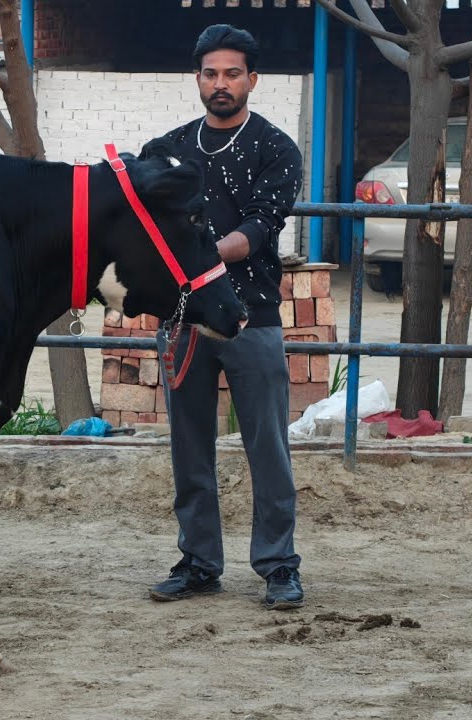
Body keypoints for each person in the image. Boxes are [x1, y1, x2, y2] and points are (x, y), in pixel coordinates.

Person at [149, 24, 304, 610]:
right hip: (183, 320)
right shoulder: (166, 150)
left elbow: (261, 229)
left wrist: (197, 254)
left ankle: (278, 566)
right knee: (189, 447)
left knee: (268, 446)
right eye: (211, 73)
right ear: (197, 79)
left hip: (251, 317)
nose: (221, 83)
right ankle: (199, 563)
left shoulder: (276, 148)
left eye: (232, 73)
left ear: (252, 80)